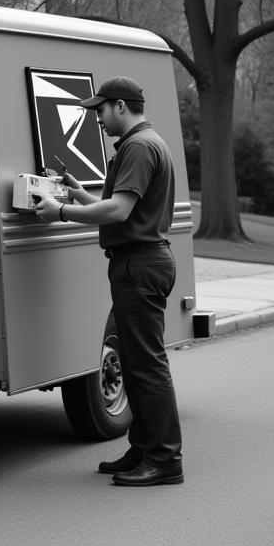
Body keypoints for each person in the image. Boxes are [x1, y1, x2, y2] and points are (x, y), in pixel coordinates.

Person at [35, 76, 183, 487]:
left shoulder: (138, 146)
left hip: (140, 264)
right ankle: (145, 449)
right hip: (140, 262)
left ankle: (165, 460)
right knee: (136, 364)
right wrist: (79, 193)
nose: (97, 119)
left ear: (120, 106)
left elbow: (118, 211)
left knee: (147, 365)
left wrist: (59, 213)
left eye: (100, 110)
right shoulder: (148, 142)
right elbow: (123, 207)